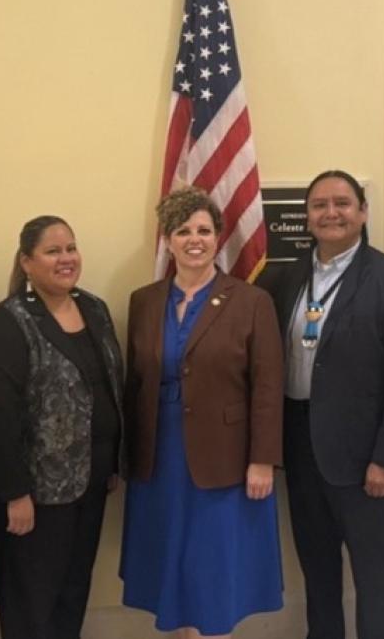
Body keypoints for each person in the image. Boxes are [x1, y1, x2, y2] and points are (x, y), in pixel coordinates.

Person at [259, 169, 384, 639]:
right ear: (307, 216)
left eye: (342, 203)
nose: (331, 213)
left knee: (373, 571)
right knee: (317, 569)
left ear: (362, 212)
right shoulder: (285, 278)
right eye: (319, 205)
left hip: (363, 456)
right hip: (300, 445)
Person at [120, 187, 284, 638]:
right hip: (159, 457)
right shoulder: (144, 301)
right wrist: (125, 459)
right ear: (168, 241)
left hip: (225, 460)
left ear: (218, 237)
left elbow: (268, 387)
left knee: (213, 567)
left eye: (204, 231)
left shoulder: (251, 301)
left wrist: (262, 459)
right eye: (183, 231)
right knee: (171, 562)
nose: (195, 240)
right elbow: (135, 383)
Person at [0, 215, 124, 639]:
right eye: (52, 251)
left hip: (93, 481)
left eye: (71, 248)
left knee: (73, 589)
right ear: (27, 262)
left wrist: (115, 461)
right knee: (32, 598)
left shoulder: (94, 309)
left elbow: (111, 386)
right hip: (38, 493)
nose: (66, 258)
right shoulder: (9, 321)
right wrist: (15, 493)